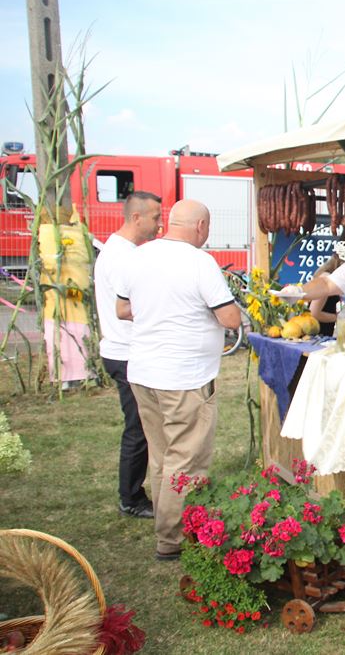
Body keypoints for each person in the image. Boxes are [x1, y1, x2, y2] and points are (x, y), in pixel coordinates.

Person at [116, 200, 242, 562]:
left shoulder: (138, 256)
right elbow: (231, 319)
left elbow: (122, 309)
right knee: (186, 459)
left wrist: (161, 309)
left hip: (143, 373)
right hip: (184, 377)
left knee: (163, 455)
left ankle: (167, 520)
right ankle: (172, 539)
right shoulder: (199, 262)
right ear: (201, 226)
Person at [94, 191, 163, 519]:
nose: (159, 224)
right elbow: (127, 309)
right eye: (155, 218)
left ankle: (134, 493)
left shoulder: (121, 250)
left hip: (123, 350)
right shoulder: (122, 256)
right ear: (136, 218)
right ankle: (131, 498)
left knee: (142, 425)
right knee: (138, 428)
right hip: (125, 353)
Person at [308, 254, 344, 337]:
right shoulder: (326, 278)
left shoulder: (328, 278)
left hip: (322, 331)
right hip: (318, 332)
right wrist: (339, 318)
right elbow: (314, 312)